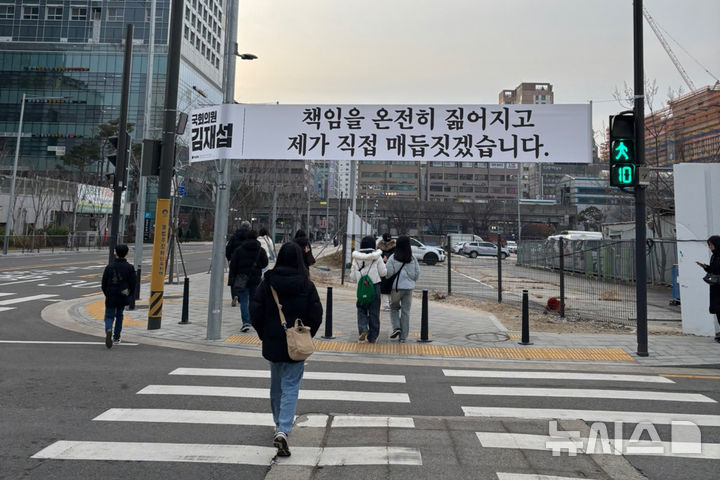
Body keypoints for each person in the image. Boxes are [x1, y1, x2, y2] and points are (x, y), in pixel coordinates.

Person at [251, 242, 323, 457]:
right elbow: (316, 314)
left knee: (276, 386)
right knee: (291, 386)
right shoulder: (306, 284)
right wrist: (307, 333)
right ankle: (283, 429)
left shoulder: (268, 282)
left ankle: (277, 424)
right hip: (296, 343)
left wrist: (264, 333)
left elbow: (255, 310)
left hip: (273, 340)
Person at [349, 235, 387, 343]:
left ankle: (363, 329)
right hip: (374, 287)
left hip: (362, 288)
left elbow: (352, 277)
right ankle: (373, 337)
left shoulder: (356, 258)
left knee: (361, 309)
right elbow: (384, 272)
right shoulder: (377, 257)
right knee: (374, 312)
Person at [229, 230, 268, 332]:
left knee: (243, 301)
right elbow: (265, 263)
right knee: (253, 300)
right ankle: (253, 320)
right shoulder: (260, 250)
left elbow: (233, 265)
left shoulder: (239, 249)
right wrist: (258, 267)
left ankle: (245, 322)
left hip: (242, 279)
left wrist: (235, 275)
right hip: (255, 278)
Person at [384, 236, 420, 343]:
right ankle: (403, 337)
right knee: (406, 312)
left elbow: (388, 273)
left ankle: (396, 328)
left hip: (396, 289)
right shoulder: (413, 259)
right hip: (408, 289)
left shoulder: (393, 257)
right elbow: (416, 275)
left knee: (394, 308)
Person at [101, 244, 137, 348]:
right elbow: (133, 283)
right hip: (123, 294)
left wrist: (107, 293)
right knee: (119, 315)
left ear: (116, 253)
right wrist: (130, 295)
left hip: (111, 294)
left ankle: (108, 330)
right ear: (126, 253)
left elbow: (103, 283)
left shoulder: (109, 267)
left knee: (109, 315)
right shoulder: (129, 267)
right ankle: (116, 337)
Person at [697, 235, 720, 343]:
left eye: (711, 245)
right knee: (718, 311)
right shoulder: (714, 256)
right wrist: (706, 267)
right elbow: (714, 270)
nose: (710, 247)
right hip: (715, 287)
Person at [226, 222, 250, 305]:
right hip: (246, 261)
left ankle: (234, 295)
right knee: (244, 278)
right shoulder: (249, 237)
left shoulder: (234, 236)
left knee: (233, 277)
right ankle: (241, 296)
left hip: (234, 259)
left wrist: (229, 258)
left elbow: (228, 248)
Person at [377, 233, 396, 311]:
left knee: (389, 287)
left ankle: (389, 304)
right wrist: (382, 259)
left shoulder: (394, 246)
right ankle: (386, 305)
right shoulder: (380, 246)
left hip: (390, 268)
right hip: (384, 268)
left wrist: (387, 260)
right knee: (385, 287)